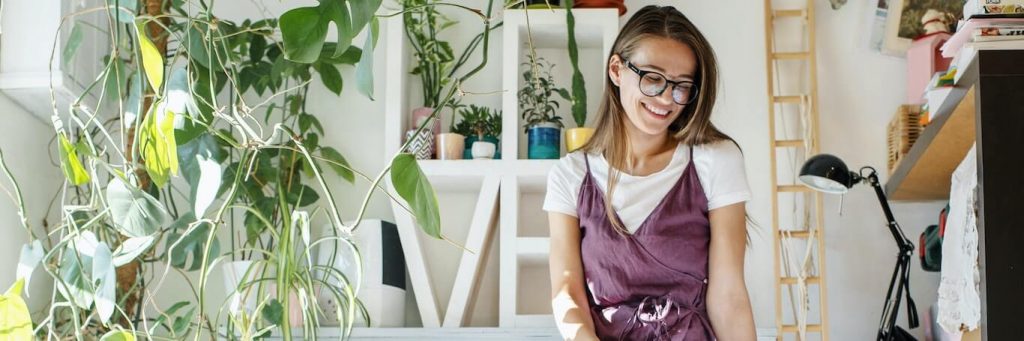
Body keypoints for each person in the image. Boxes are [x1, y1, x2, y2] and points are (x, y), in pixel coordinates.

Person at [543, 5, 756, 340]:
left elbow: (729, 296)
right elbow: (567, 291)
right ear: (617, 69)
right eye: (653, 78)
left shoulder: (714, 160)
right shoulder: (570, 175)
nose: (666, 99)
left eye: (682, 86)